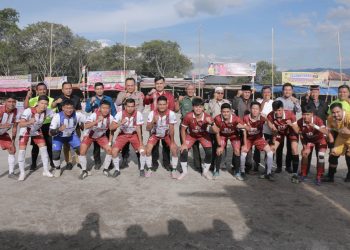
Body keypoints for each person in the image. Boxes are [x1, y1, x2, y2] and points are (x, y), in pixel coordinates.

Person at [178, 98, 218, 180]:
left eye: (200, 107)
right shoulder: (188, 116)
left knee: (209, 152)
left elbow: (216, 130)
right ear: (192, 107)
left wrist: (212, 123)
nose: (198, 109)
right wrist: (184, 143)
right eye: (196, 107)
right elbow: (183, 129)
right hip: (192, 135)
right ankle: (184, 172)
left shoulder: (208, 117)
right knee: (183, 150)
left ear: (203, 108)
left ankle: (205, 172)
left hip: (203, 135)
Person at [18, 95, 54, 180]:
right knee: (22, 151)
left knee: (44, 149)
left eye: (46, 104)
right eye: (42, 103)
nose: (43, 105)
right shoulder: (29, 110)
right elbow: (20, 124)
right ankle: (22, 173)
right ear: (37, 103)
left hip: (36, 131)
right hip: (25, 132)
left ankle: (45, 170)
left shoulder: (48, 111)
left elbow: (56, 117)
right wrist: (28, 122)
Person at [144, 76, 175, 171]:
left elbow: (172, 108)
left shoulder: (169, 95)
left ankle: (166, 163)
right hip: (153, 121)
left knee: (166, 145)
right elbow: (145, 101)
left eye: (161, 83)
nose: (159, 85)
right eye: (157, 83)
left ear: (164, 84)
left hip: (165, 121)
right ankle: (154, 163)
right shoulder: (153, 94)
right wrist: (149, 94)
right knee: (154, 144)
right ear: (155, 85)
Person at [79, 100, 115, 180]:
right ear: (99, 108)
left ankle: (105, 170)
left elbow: (111, 131)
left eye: (107, 108)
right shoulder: (94, 115)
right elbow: (86, 126)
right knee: (82, 151)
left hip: (101, 136)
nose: (105, 110)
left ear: (110, 109)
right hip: (89, 135)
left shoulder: (111, 117)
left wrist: (110, 142)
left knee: (109, 150)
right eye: (103, 108)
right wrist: (96, 121)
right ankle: (84, 171)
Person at [49, 99, 86, 177]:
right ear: (63, 108)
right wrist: (59, 129)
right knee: (55, 154)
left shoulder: (77, 114)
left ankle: (84, 169)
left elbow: (88, 120)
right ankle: (58, 169)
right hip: (59, 137)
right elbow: (50, 132)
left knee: (81, 150)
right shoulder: (57, 116)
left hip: (71, 136)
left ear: (73, 108)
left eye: (71, 108)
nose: (69, 110)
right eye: (67, 108)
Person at [144, 96, 178, 178]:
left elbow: (172, 128)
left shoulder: (171, 113)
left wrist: (173, 142)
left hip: (166, 135)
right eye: (160, 104)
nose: (162, 106)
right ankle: (149, 168)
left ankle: (174, 169)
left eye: (163, 104)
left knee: (174, 149)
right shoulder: (152, 113)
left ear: (167, 104)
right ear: (157, 105)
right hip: (155, 134)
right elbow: (147, 128)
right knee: (148, 149)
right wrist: (153, 121)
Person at [24, 82, 55, 170]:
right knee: (35, 146)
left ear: (47, 90)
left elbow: (54, 114)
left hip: (47, 125)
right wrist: (27, 96)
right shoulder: (33, 100)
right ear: (36, 91)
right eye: (40, 89)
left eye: (44, 89)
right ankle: (34, 163)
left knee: (49, 144)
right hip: (36, 126)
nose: (42, 91)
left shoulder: (52, 100)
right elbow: (26, 107)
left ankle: (52, 162)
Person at [267, 100, 300, 183]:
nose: (278, 113)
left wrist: (291, 124)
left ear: (283, 109)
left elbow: (297, 131)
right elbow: (272, 129)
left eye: (279, 110)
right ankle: (269, 172)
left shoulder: (290, 114)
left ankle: (295, 173)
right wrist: (273, 139)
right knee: (272, 149)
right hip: (279, 132)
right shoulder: (270, 115)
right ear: (273, 110)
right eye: (275, 110)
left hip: (291, 131)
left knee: (294, 148)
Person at [85, 82, 116, 170]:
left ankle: (109, 163)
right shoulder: (91, 99)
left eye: (101, 88)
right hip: (96, 125)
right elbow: (87, 110)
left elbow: (113, 110)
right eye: (97, 89)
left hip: (107, 123)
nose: (99, 90)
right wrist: (91, 103)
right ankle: (97, 162)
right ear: (95, 90)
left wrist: (115, 121)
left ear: (103, 89)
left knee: (108, 144)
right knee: (96, 145)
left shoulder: (109, 99)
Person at [52, 82, 82, 170]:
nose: (68, 90)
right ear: (62, 90)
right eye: (66, 88)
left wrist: (74, 111)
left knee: (77, 145)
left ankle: (79, 161)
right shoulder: (59, 98)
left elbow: (80, 109)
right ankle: (68, 161)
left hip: (75, 125)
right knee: (66, 145)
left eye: (70, 88)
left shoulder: (76, 98)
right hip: (63, 126)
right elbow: (52, 106)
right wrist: (56, 102)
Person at [115, 78, 144, 168]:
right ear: (125, 86)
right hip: (125, 122)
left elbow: (141, 107)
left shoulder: (139, 94)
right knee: (124, 142)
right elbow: (117, 103)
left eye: (132, 85)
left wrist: (134, 113)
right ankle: (124, 159)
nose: (130, 87)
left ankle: (140, 160)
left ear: (135, 85)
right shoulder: (121, 94)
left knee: (139, 141)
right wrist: (125, 97)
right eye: (128, 85)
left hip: (136, 121)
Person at [241, 102, 274, 181]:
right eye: (253, 108)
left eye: (257, 109)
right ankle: (242, 171)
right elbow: (244, 132)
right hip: (248, 138)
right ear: (250, 109)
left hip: (258, 138)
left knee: (270, 152)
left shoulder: (262, 118)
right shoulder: (245, 118)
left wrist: (267, 119)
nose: (255, 111)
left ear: (260, 110)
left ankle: (268, 173)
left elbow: (271, 126)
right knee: (243, 151)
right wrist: (244, 144)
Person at [111, 98, 146, 177]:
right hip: (123, 134)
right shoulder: (120, 114)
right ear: (125, 106)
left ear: (135, 107)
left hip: (134, 135)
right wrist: (120, 123)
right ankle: (117, 170)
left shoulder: (138, 114)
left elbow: (138, 129)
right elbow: (111, 127)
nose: (130, 108)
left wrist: (141, 143)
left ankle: (142, 169)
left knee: (143, 151)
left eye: (132, 106)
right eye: (128, 106)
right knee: (114, 151)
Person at [301, 85, 329, 175]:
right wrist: (305, 99)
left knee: (320, 154)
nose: (314, 94)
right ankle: (305, 171)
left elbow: (328, 116)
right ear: (310, 93)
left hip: (321, 132)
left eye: (316, 92)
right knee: (307, 153)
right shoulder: (307, 103)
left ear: (319, 93)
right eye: (312, 92)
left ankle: (320, 173)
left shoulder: (324, 103)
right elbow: (303, 112)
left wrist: (326, 128)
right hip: (310, 132)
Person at [297, 105, 328, 185]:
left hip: (320, 139)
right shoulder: (300, 122)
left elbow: (325, 131)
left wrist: (314, 126)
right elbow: (301, 135)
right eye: (304, 114)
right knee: (304, 153)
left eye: (308, 114)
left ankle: (319, 176)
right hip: (310, 141)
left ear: (312, 114)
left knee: (321, 155)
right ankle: (303, 173)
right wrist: (304, 146)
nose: (306, 116)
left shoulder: (318, 120)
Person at [175, 83, 201, 171]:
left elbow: (202, 111)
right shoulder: (182, 99)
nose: (190, 91)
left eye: (192, 89)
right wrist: (178, 101)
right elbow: (176, 110)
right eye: (188, 89)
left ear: (195, 90)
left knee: (195, 146)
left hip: (195, 125)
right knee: (184, 145)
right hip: (184, 125)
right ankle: (183, 165)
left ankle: (197, 165)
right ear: (186, 90)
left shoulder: (198, 99)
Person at [275, 83, 301, 173]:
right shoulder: (278, 100)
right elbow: (275, 112)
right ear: (283, 90)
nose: (287, 91)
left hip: (291, 126)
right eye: (285, 89)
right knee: (279, 147)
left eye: (289, 90)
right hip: (280, 126)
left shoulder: (295, 100)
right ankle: (278, 166)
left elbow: (298, 111)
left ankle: (288, 166)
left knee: (290, 147)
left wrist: (296, 102)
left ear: (292, 91)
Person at [213, 103, 244, 179]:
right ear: (221, 112)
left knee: (237, 150)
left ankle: (237, 172)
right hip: (222, 135)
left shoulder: (236, 119)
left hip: (234, 135)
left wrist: (242, 126)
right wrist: (219, 146)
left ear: (231, 112)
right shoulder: (217, 118)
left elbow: (245, 129)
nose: (225, 113)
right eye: (224, 112)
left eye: (227, 111)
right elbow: (216, 132)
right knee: (219, 150)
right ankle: (216, 170)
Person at [325, 103, 350, 183]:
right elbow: (329, 131)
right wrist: (331, 145)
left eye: (338, 112)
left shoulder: (348, 116)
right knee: (333, 154)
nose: (335, 114)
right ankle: (330, 176)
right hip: (341, 137)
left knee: (349, 156)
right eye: (333, 112)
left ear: (342, 110)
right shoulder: (330, 118)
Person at [0, 95, 20, 179]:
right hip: (1, 129)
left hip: (2, 134)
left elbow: (15, 128)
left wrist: (13, 141)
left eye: (13, 102)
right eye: (9, 101)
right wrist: (1, 125)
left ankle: (11, 173)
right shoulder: (0, 110)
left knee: (12, 149)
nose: (12, 104)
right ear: (5, 102)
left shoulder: (16, 112)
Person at [255, 86, 274, 171]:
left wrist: (268, 119)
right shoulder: (258, 101)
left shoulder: (273, 102)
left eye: (268, 92)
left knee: (269, 149)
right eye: (265, 92)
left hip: (269, 130)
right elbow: (258, 110)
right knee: (257, 149)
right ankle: (256, 165)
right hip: (260, 129)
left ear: (271, 93)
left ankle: (267, 167)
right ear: (262, 93)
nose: (266, 94)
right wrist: (263, 101)